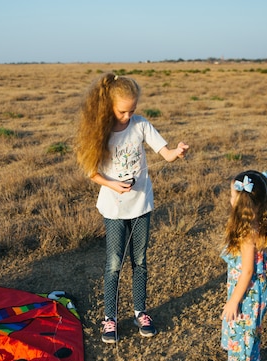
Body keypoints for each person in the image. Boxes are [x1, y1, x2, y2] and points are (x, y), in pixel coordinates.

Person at [75, 73, 189, 343]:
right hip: (114, 210)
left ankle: (141, 312)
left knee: (140, 262)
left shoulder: (140, 125)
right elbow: (90, 172)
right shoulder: (98, 133)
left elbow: (166, 153)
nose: (128, 116)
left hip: (141, 206)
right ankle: (110, 319)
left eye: (132, 110)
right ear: (108, 107)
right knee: (114, 263)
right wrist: (113, 186)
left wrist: (177, 152)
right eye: (122, 110)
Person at [212, 169, 267, 361]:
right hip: (245, 290)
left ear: (242, 200)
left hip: (249, 293)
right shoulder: (250, 221)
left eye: (232, 195)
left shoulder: (249, 232)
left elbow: (248, 270)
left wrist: (233, 300)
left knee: (249, 336)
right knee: (239, 329)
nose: (229, 199)